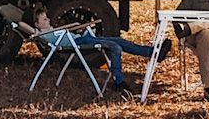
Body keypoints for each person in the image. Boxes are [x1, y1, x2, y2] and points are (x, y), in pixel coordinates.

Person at [30, 7, 158, 94]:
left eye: (47, 18)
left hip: (83, 39)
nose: (49, 20)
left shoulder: (51, 30)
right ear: (37, 25)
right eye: (44, 19)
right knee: (115, 47)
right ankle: (119, 82)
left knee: (119, 41)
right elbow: (31, 31)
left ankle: (151, 52)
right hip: (79, 43)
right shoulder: (45, 34)